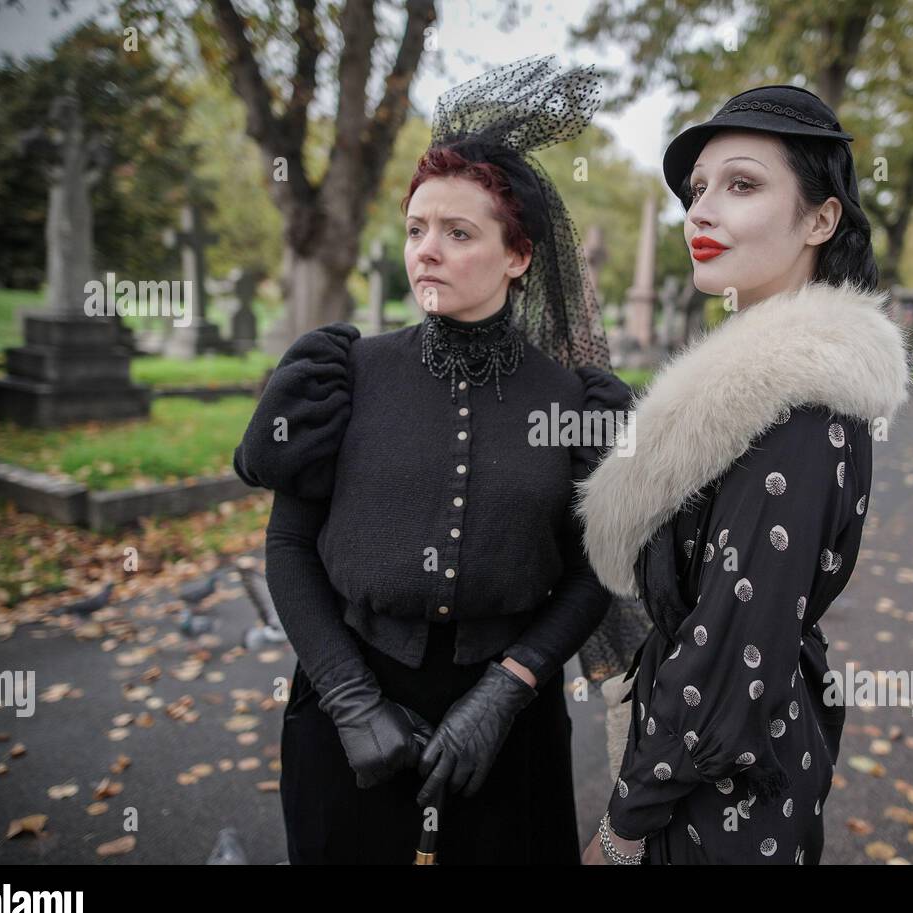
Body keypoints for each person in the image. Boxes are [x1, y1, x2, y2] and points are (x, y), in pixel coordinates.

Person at [233, 56, 631, 864]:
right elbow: (288, 545)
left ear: (518, 257)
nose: (428, 251)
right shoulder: (342, 374)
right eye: (417, 230)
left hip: (511, 708)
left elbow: (597, 567)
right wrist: (346, 696)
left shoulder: (574, 400)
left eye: (458, 233)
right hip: (349, 685)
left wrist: (509, 686)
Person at [576, 84, 910, 865]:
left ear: (821, 219)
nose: (700, 210)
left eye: (743, 184)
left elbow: (730, 657)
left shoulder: (800, 412)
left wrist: (621, 831)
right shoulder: (750, 394)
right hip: (716, 755)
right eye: (697, 191)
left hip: (724, 790)